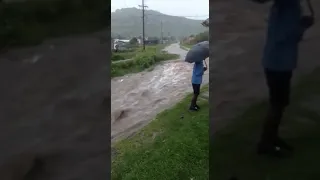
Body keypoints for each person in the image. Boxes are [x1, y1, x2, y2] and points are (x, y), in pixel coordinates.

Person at [257, 0, 314, 157]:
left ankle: (271, 138)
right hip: (278, 64)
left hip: (279, 62)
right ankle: (265, 144)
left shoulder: (285, 5)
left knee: (280, 103)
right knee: (277, 104)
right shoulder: (288, 5)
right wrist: (303, 25)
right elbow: (284, 36)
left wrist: (301, 24)